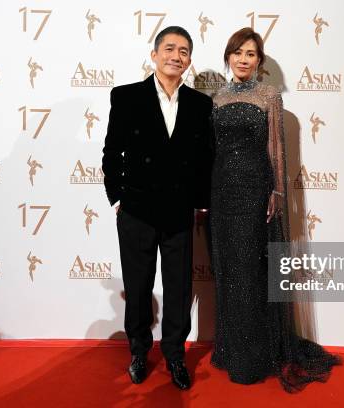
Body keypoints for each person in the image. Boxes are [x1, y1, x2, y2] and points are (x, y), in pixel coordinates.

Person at [209, 27, 341, 392]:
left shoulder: (269, 96)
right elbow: (212, 150)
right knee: (229, 273)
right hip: (221, 193)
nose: (243, 60)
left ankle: (255, 357)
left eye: (250, 54)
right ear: (228, 56)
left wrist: (278, 193)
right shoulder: (216, 98)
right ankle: (231, 349)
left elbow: (277, 151)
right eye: (238, 52)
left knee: (251, 273)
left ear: (259, 61)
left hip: (254, 191)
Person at [101, 26, 212, 390]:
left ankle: (176, 356)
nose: (175, 56)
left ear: (189, 61)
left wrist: (199, 204)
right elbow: (111, 151)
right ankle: (138, 351)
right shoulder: (126, 96)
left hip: (179, 212)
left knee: (179, 288)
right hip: (135, 210)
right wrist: (116, 198)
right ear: (154, 55)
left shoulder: (200, 104)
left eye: (183, 51)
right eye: (169, 48)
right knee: (138, 286)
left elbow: (203, 159)